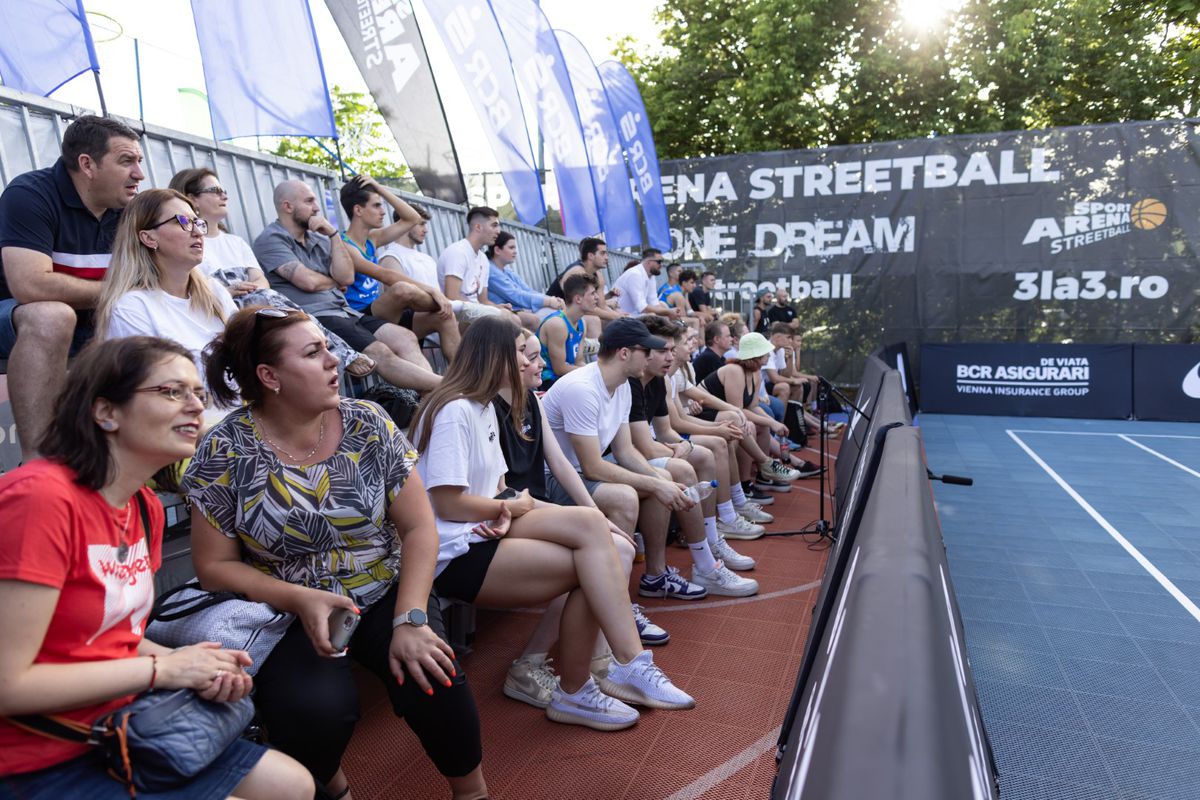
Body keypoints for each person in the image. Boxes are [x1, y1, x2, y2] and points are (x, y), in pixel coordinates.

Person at [182, 307, 484, 800]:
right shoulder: (225, 450)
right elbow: (214, 567)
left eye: (327, 347)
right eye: (313, 352)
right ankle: (335, 789)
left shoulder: (367, 422)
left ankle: (472, 794)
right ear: (269, 376)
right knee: (312, 710)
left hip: (382, 587)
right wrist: (301, 599)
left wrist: (410, 619)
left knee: (434, 678)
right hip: (286, 607)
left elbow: (418, 527)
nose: (333, 360)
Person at [0, 336, 312, 800]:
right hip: (37, 758)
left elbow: (114, 637)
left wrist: (197, 665)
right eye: (171, 392)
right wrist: (162, 670)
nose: (196, 407)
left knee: (293, 785)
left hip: (124, 725)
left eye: (198, 394)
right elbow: (8, 685)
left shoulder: (143, 506)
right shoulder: (40, 499)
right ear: (106, 412)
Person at [409, 316, 694, 731]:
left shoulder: (483, 407)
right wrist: (514, 507)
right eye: (522, 353)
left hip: (488, 525)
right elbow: (448, 504)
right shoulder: (455, 410)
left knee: (608, 540)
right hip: (453, 548)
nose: (533, 361)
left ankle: (614, 669)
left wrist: (521, 507)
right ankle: (599, 677)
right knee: (595, 563)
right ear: (496, 356)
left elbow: (501, 489)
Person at [494, 330, 667, 707]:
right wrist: (590, 518)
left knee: (617, 546)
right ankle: (581, 664)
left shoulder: (531, 401)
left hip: (530, 505)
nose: (540, 364)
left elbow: (559, 463)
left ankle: (605, 662)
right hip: (505, 513)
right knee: (600, 556)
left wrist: (590, 513)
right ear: (504, 360)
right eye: (530, 355)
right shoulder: (484, 408)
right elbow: (497, 493)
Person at [542, 318, 758, 601]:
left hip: (582, 471)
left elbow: (625, 451)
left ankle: (656, 576)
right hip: (556, 478)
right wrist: (656, 484)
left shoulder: (621, 385)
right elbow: (592, 467)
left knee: (666, 479)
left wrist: (660, 482)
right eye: (647, 351)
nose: (653, 357)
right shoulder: (582, 388)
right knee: (626, 497)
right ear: (624, 353)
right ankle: (615, 601)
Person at [0, 115, 144, 461]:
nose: (139, 173)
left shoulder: (132, 209)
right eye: (126, 161)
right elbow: (29, 286)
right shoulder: (30, 194)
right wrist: (122, 291)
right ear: (87, 164)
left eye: (139, 161)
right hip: (14, 315)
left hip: (93, 321)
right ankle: (40, 461)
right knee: (53, 316)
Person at [169, 167, 376, 377]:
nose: (224, 195)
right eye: (215, 190)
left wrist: (251, 289)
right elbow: (186, 285)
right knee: (282, 312)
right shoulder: (187, 244)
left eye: (224, 190)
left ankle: (332, 356)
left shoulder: (235, 242)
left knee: (274, 303)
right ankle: (340, 353)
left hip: (254, 304)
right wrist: (227, 292)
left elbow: (261, 280)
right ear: (192, 199)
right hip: (218, 309)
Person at [253, 179, 440, 393]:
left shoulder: (320, 238)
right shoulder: (270, 239)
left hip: (346, 312)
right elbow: (308, 282)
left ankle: (433, 401)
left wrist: (333, 235)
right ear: (288, 206)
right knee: (380, 352)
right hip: (316, 318)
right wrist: (333, 282)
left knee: (405, 337)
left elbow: (347, 277)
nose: (317, 208)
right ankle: (446, 389)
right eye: (309, 201)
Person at [627, 316, 762, 569]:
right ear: (641, 351)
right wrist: (689, 442)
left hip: (646, 446)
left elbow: (666, 430)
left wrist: (686, 444)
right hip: (621, 456)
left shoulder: (661, 379)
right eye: (663, 350)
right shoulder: (632, 383)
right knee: (691, 464)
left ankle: (715, 535)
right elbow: (652, 440)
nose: (670, 356)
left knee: (706, 451)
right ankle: (705, 560)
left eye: (671, 349)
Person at [95, 189, 236, 425]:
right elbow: (150, 400)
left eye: (197, 222)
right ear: (148, 238)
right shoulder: (132, 308)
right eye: (182, 221)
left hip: (247, 425)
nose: (197, 232)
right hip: (191, 433)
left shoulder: (216, 293)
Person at [338, 177, 462, 359]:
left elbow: (413, 218)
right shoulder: (343, 244)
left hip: (383, 313)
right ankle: (458, 307)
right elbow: (385, 275)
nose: (383, 212)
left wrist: (379, 188)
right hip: (359, 315)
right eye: (377, 206)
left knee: (445, 318)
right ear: (358, 210)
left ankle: (462, 377)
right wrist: (432, 291)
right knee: (402, 289)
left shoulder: (373, 238)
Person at [696, 332, 805, 493]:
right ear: (756, 355)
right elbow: (738, 410)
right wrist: (771, 422)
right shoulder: (734, 370)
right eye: (765, 352)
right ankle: (748, 481)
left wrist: (773, 423)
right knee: (749, 427)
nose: (769, 354)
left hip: (725, 413)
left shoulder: (755, 373)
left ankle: (763, 476)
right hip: (702, 413)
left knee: (762, 425)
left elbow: (753, 406)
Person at [375, 203, 465, 361]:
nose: (426, 229)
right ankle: (463, 374)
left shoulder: (428, 259)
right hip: (407, 324)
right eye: (421, 224)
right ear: (405, 223)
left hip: (436, 318)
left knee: (484, 321)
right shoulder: (391, 257)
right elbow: (399, 303)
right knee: (447, 318)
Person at [436, 206, 514, 322]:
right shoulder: (458, 252)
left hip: (474, 314)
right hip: (457, 318)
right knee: (507, 318)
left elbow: (483, 300)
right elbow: (452, 297)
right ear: (478, 227)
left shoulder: (483, 258)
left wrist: (496, 307)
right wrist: (491, 311)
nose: (498, 231)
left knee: (511, 317)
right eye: (494, 225)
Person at [486, 231, 564, 329]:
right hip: (504, 312)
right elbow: (516, 295)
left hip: (519, 309)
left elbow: (527, 290)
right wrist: (548, 301)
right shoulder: (491, 271)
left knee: (559, 313)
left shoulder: (506, 270)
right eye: (511, 248)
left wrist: (553, 300)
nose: (515, 251)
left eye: (515, 248)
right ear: (497, 250)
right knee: (554, 316)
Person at [537, 273, 599, 390]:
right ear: (578, 299)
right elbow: (559, 369)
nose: (597, 297)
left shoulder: (582, 323)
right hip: (548, 382)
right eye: (592, 293)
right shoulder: (557, 324)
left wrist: (594, 373)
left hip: (567, 379)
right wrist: (593, 372)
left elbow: (579, 361)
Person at [612, 249, 680, 319]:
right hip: (620, 318)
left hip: (632, 317)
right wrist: (668, 312)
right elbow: (642, 308)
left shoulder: (650, 276)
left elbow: (654, 303)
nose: (661, 265)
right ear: (649, 262)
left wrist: (669, 313)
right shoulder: (635, 275)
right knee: (654, 316)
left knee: (663, 316)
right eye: (659, 262)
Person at [693, 319, 733, 383]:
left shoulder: (719, 358)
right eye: (728, 336)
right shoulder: (709, 358)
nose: (731, 339)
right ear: (716, 339)